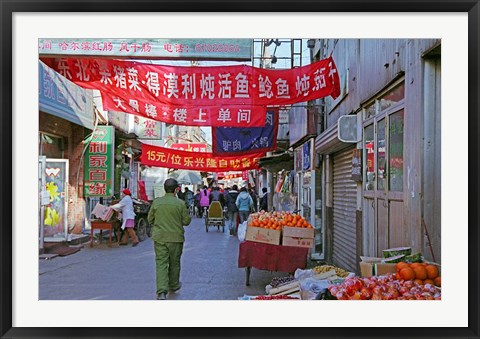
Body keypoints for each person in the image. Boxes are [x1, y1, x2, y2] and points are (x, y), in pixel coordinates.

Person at [147, 178, 192, 300]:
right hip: (176, 238)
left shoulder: (157, 202)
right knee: (174, 262)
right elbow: (186, 221)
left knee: (161, 263)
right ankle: (174, 285)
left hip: (160, 237)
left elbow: (150, 219)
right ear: (176, 189)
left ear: (164, 188)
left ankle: (161, 291)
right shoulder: (181, 204)